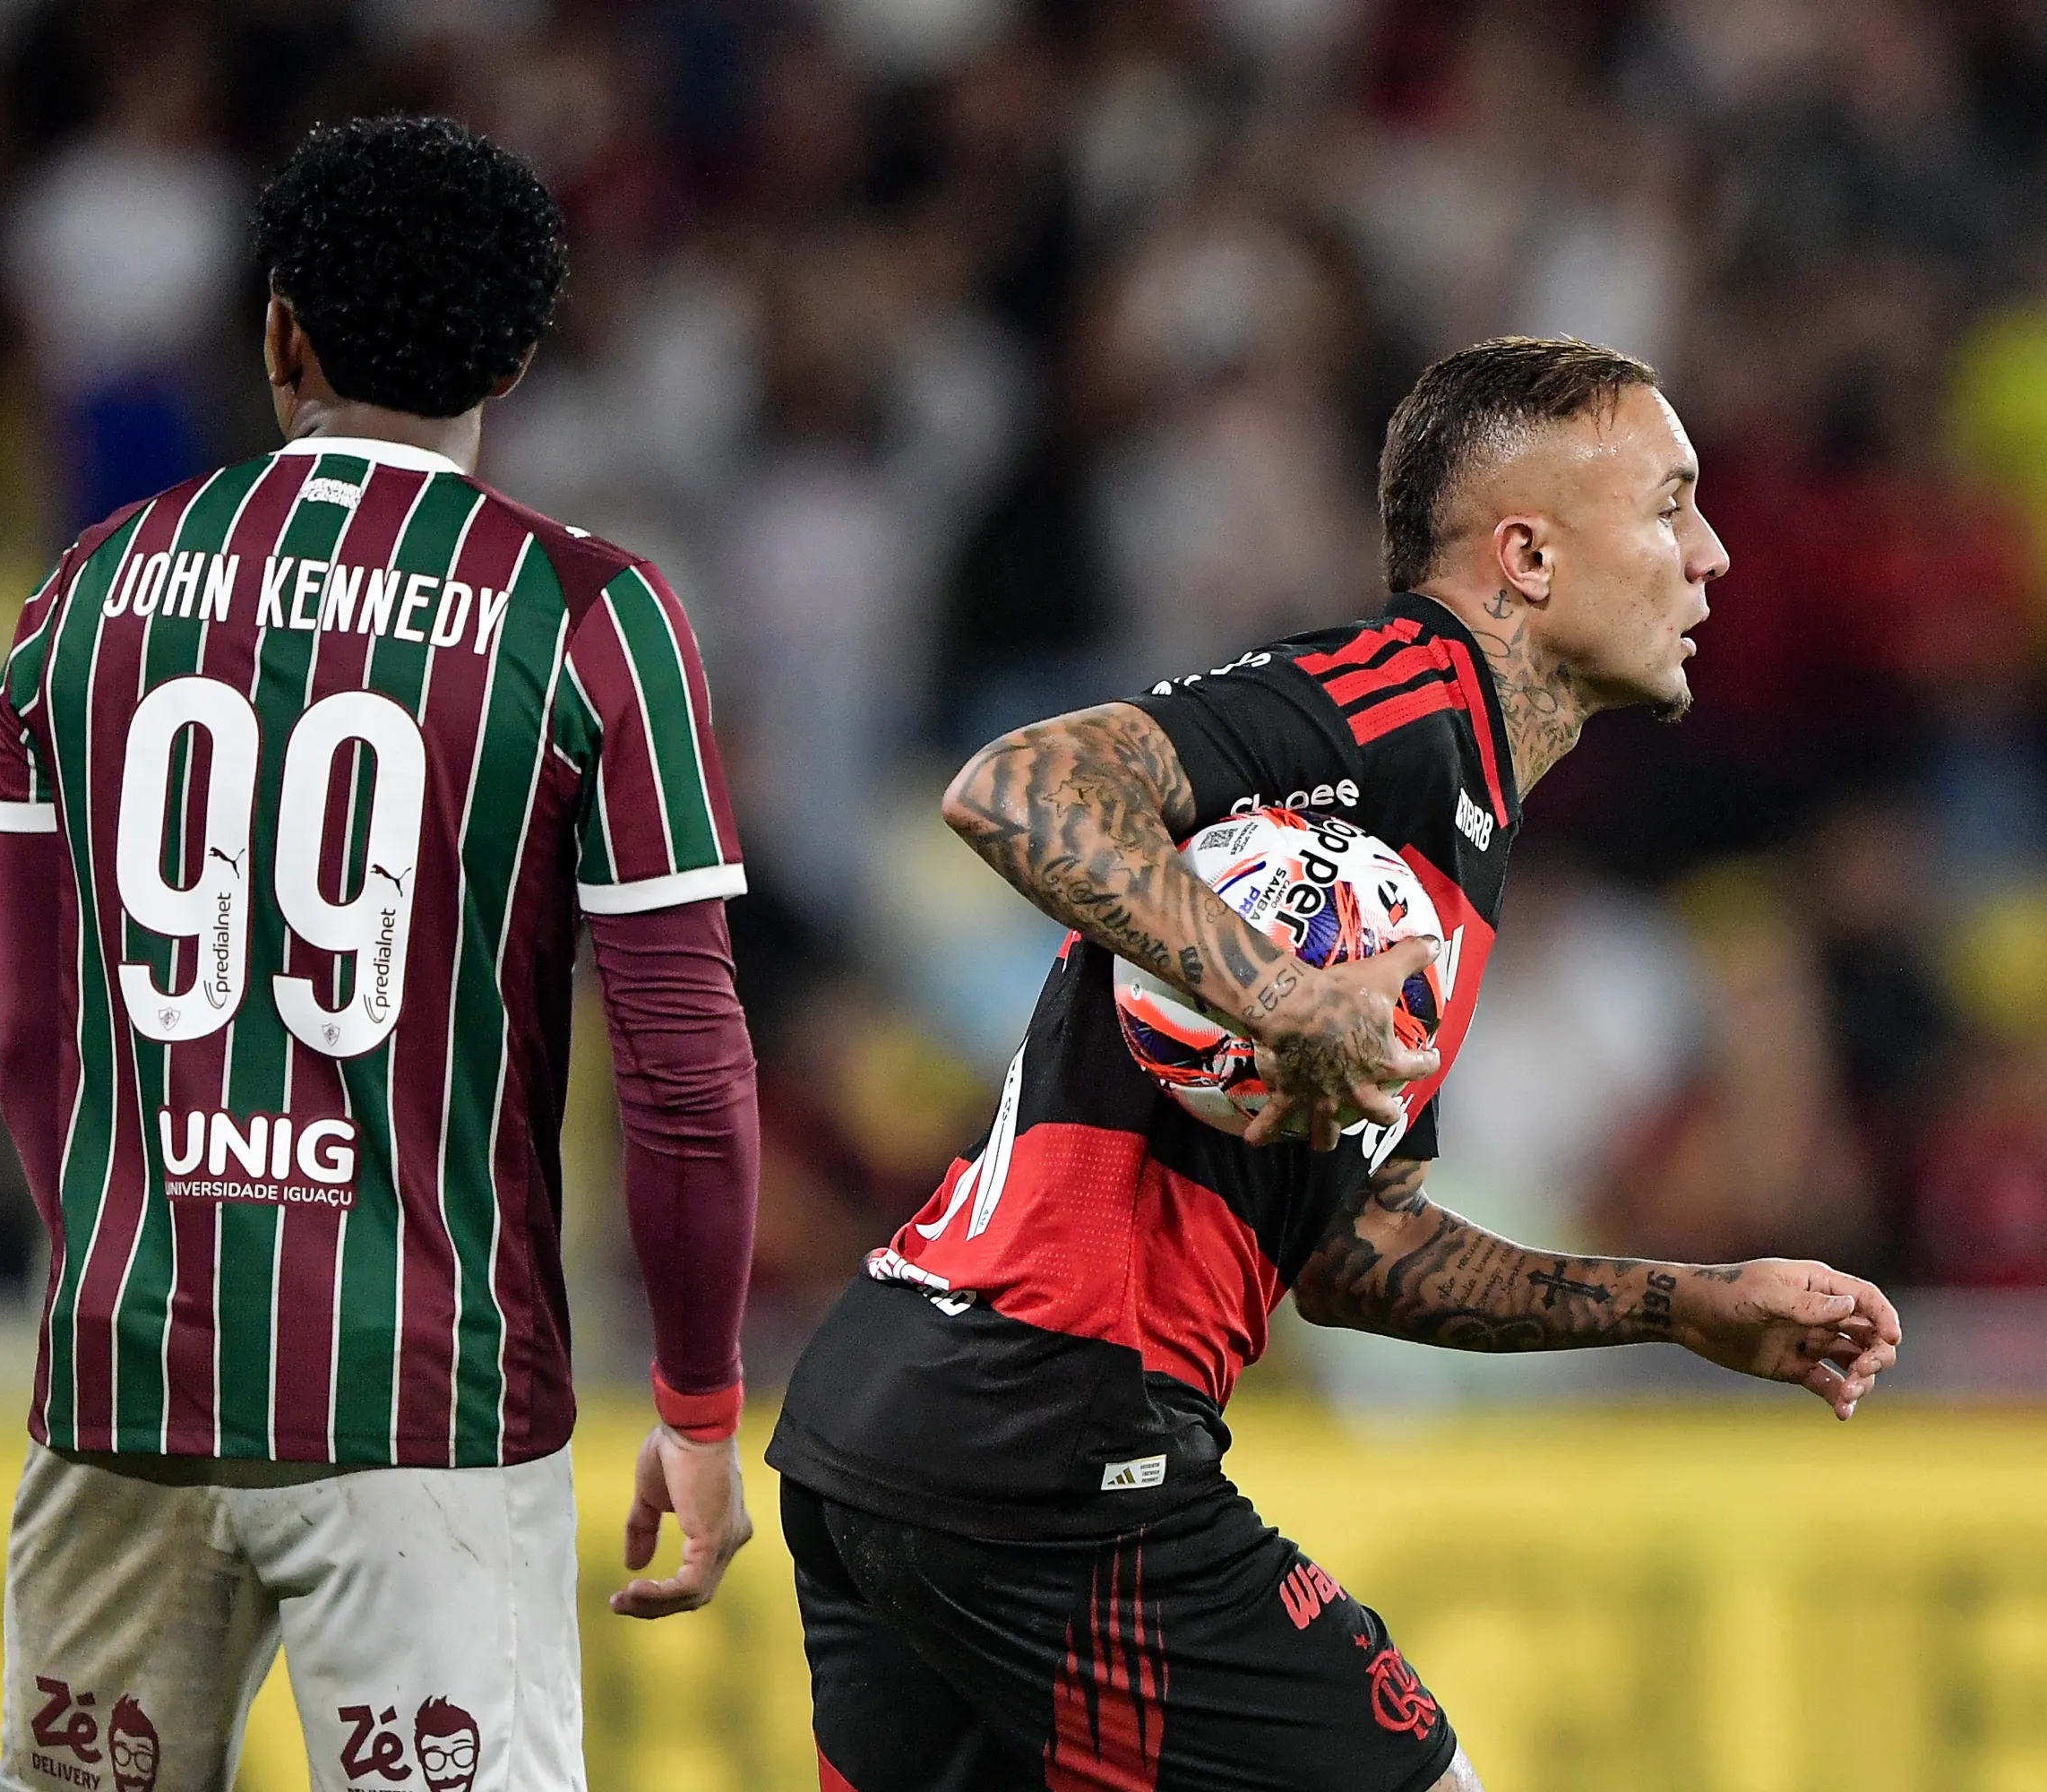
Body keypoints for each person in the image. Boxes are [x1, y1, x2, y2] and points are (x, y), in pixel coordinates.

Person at [767, 336, 1905, 1792]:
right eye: (1672, 504)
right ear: (1529, 557)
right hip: (1051, 1432)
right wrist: (1281, 998)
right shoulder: (1396, 701)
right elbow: (1017, 786)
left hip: (902, 1418)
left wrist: (1682, 1307)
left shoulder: (1454, 815)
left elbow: (1358, 1249)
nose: (1716, 553)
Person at [0, 116, 760, 1792]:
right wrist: (698, 1397)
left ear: (281, 332)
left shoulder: (80, 596)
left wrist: (142, 1266)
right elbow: (684, 1069)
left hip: (127, 1385)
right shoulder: (587, 620)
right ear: (522, 354)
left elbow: (34, 1038)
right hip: (424, 1405)